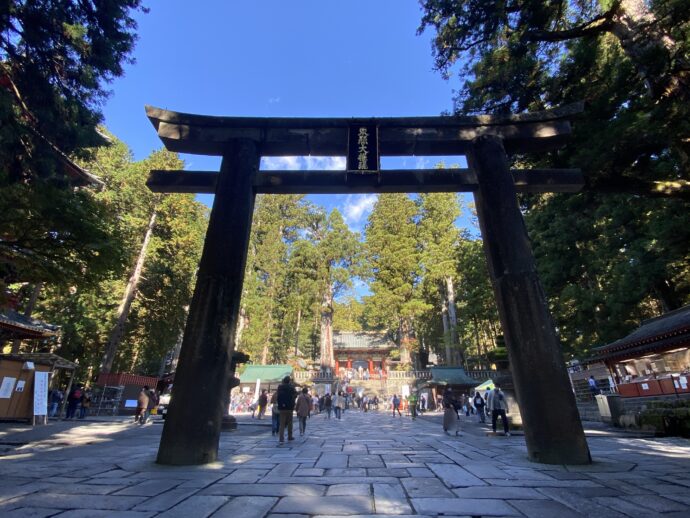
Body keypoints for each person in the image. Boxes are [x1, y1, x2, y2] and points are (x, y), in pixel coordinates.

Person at [276, 376, 297, 443]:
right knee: (290, 423)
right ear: (289, 381)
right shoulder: (291, 387)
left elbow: (278, 397)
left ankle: (281, 438)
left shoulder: (280, 387)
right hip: (290, 407)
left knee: (282, 424)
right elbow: (295, 395)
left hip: (282, 407)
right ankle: (289, 436)